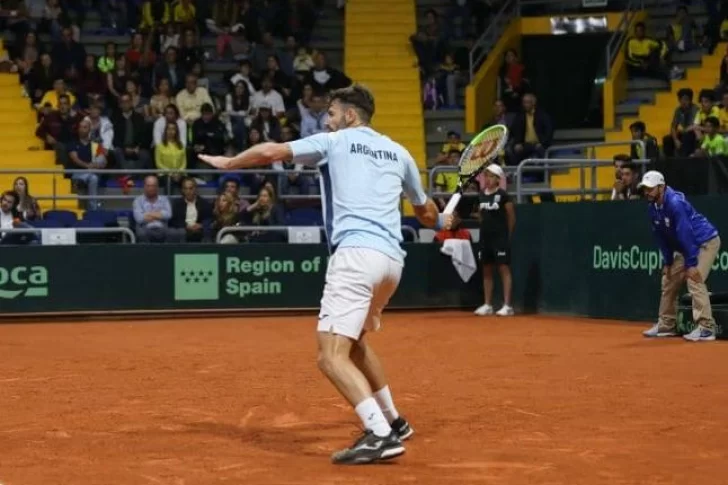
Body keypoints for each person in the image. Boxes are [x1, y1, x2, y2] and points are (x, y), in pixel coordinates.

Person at [199, 84, 446, 465]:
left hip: (355, 257)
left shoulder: (337, 141)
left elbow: (271, 152)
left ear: (349, 115)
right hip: (392, 262)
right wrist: (444, 218)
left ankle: (378, 434)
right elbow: (426, 214)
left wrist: (229, 163)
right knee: (356, 344)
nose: (325, 121)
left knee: (330, 356)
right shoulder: (400, 152)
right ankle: (395, 422)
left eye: (330, 114)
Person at [638, 171, 721, 342]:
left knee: (694, 279)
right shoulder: (652, 208)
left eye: (650, 189)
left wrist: (691, 265)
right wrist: (668, 262)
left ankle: (706, 328)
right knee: (668, 279)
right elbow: (661, 237)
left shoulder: (675, 204)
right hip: (687, 246)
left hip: (705, 241)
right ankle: (666, 325)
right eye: (645, 189)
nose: (647, 192)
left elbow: (686, 234)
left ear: (662, 187)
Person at [473, 164, 516, 317]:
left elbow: (511, 217)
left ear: (498, 179)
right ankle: (488, 304)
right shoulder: (481, 195)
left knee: (504, 269)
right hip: (485, 238)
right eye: (486, 176)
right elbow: (481, 215)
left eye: (491, 176)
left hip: (500, 238)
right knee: (486, 270)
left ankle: (507, 305)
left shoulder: (504, 196)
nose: (488, 179)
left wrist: (506, 235)